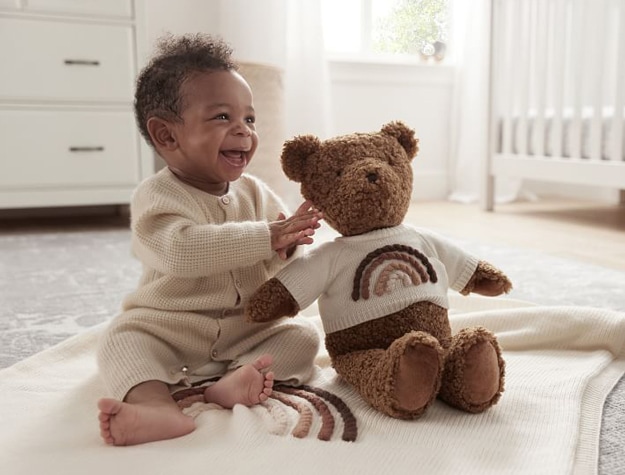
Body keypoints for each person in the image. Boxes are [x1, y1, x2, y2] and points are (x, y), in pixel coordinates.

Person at [96, 33, 323, 446]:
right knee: (121, 340)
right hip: (168, 328)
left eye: (249, 119)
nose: (243, 131)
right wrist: (267, 236)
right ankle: (152, 405)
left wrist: (290, 242)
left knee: (303, 337)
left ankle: (233, 381)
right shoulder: (156, 196)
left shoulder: (255, 192)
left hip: (243, 331)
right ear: (167, 136)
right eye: (222, 117)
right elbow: (182, 250)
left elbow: (274, 263)